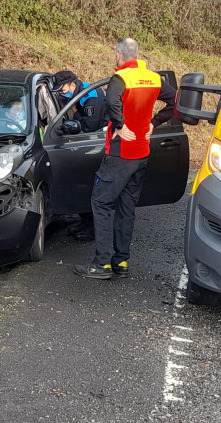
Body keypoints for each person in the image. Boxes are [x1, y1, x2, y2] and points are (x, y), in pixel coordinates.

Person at [74, 37, 176, 280]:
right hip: (141, 153)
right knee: (127, 207)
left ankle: (102, 264)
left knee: (101, 203)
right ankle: (121, 262)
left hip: (120, 153)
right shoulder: (153, 78)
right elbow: (176, 101)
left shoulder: (121, 78)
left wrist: (119, 124)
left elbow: (111, 102)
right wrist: (155, 122)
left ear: (119, 55)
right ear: (137, 54)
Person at [51, 70, 108, 241]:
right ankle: (85, 221)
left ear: (73, 85)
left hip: (100, 142)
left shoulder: (91, 97)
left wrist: (75, 112)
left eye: (63, 90)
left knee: (90, 186)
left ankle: (93, 229)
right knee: (80, 183)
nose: (62, 94)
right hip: (90, 141)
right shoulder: (79, 92)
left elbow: (89, 127)